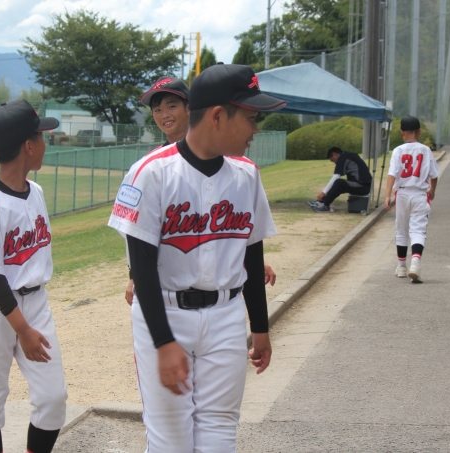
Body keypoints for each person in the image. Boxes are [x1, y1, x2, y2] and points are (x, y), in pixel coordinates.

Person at [108, 63, 285, 452]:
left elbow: (251, 253)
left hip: (226, 315)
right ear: (218, 117)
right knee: (170, 439)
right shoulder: (150, 173)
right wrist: (163, 341)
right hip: (166, 312)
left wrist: (260, 326)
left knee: (219, 433)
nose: (256, 129)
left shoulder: (247, 175)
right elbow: (142, 267)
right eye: (251, 117)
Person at [0, 99, 68, 453]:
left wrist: (29, 325)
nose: (45, 143)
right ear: (28, 147)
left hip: (36, 302)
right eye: (41, 136)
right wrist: (23, 330)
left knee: (53, 398)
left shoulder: (36, 192)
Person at [124, 76, 276, 305]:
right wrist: (134, 275)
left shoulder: (228, 161)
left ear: (190, 108)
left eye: (171, 106)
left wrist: (243, 260)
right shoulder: (149, 168)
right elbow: (138, 236)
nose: (164, 114)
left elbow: (227, 226)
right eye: (157, 109)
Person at [384, 115, 439, 283]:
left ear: (401, 132)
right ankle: (415, 263)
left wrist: (387, 195)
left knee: (401, 230)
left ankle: (401, 266)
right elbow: (434, 175)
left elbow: (392, 174)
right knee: (418, 230)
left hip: (402, 193)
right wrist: (432, 190)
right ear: (419, 132)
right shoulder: (425, 150)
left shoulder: (398, 151)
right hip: (420, 194)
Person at [309, 147, 372, 212]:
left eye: (333, 160)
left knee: (339, 183)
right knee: (338, 186)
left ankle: (324, 205)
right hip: (365, 186)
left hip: (362, 186)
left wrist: (323, 193)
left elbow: (336, 176)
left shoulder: (343, 158)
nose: (335, 163)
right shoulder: (350, 156)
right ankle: (322, 202)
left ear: (335, 155)